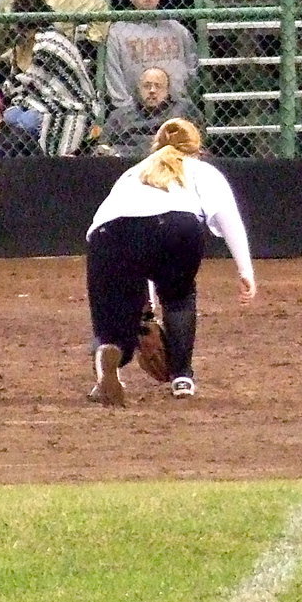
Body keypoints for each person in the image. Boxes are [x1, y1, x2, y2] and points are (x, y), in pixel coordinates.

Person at [85, 117, 256, 406]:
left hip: (108, 234)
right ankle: (182, 378)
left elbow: (136, 232)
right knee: (178, 297)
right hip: (178, 225)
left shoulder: (133, 172)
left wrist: (144, 311)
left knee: (110, 328)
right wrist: (245, 271)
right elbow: (229, 219)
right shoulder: (202, 169)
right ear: (196, 150)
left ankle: (109, 361)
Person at [1, 20, 103, 156]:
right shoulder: (21, 43)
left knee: (26, 121)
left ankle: (40, 158)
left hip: (68, 100)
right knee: (10, 116)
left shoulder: (50, 43)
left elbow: (51, 80)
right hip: (34, 99)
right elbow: (18, 77)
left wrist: (29, 80)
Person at [104, 0, 199, 109]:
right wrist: (125, 107)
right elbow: (113, 73)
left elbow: (192, 63)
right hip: (136, 109)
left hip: (176, 105)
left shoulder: (176, 28)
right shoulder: (118, 32)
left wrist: (185, 96)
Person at [98, 67, 204, 159]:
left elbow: (198, 143)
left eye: (158, 86)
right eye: (147, 86)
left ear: (167, 90)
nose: (152, 90)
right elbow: (103, 145)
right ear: (139, 88)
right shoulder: (120, 115)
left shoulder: (183, 110)